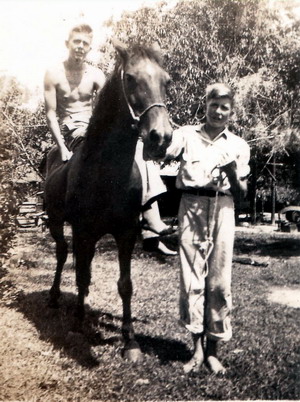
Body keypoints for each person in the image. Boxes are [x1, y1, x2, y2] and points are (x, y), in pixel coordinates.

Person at [44, 23, 176, 255]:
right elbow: (51, 114)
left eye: (85, 43)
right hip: (70, 129)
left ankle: (149, 218)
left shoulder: (95, 74)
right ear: (68, 43)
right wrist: (62, 146)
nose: (81, 47)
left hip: (93, 126)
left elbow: (109, 105)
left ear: (90, 47)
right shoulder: (53, 74)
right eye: (77, 42)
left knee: (136, 151)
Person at [166, 83, 250, 374]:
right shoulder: (186, 135)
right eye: (214, 104)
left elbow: (242, 194)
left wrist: (231, 173)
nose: (218, 111)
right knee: (192, 279)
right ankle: (197, 351)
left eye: (224, 107)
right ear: (206, 105)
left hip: (224, 208)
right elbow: (162, 148)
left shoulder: (238, 145)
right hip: (191, 205)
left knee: (218, 281)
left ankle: (214, 350)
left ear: (231, 112)